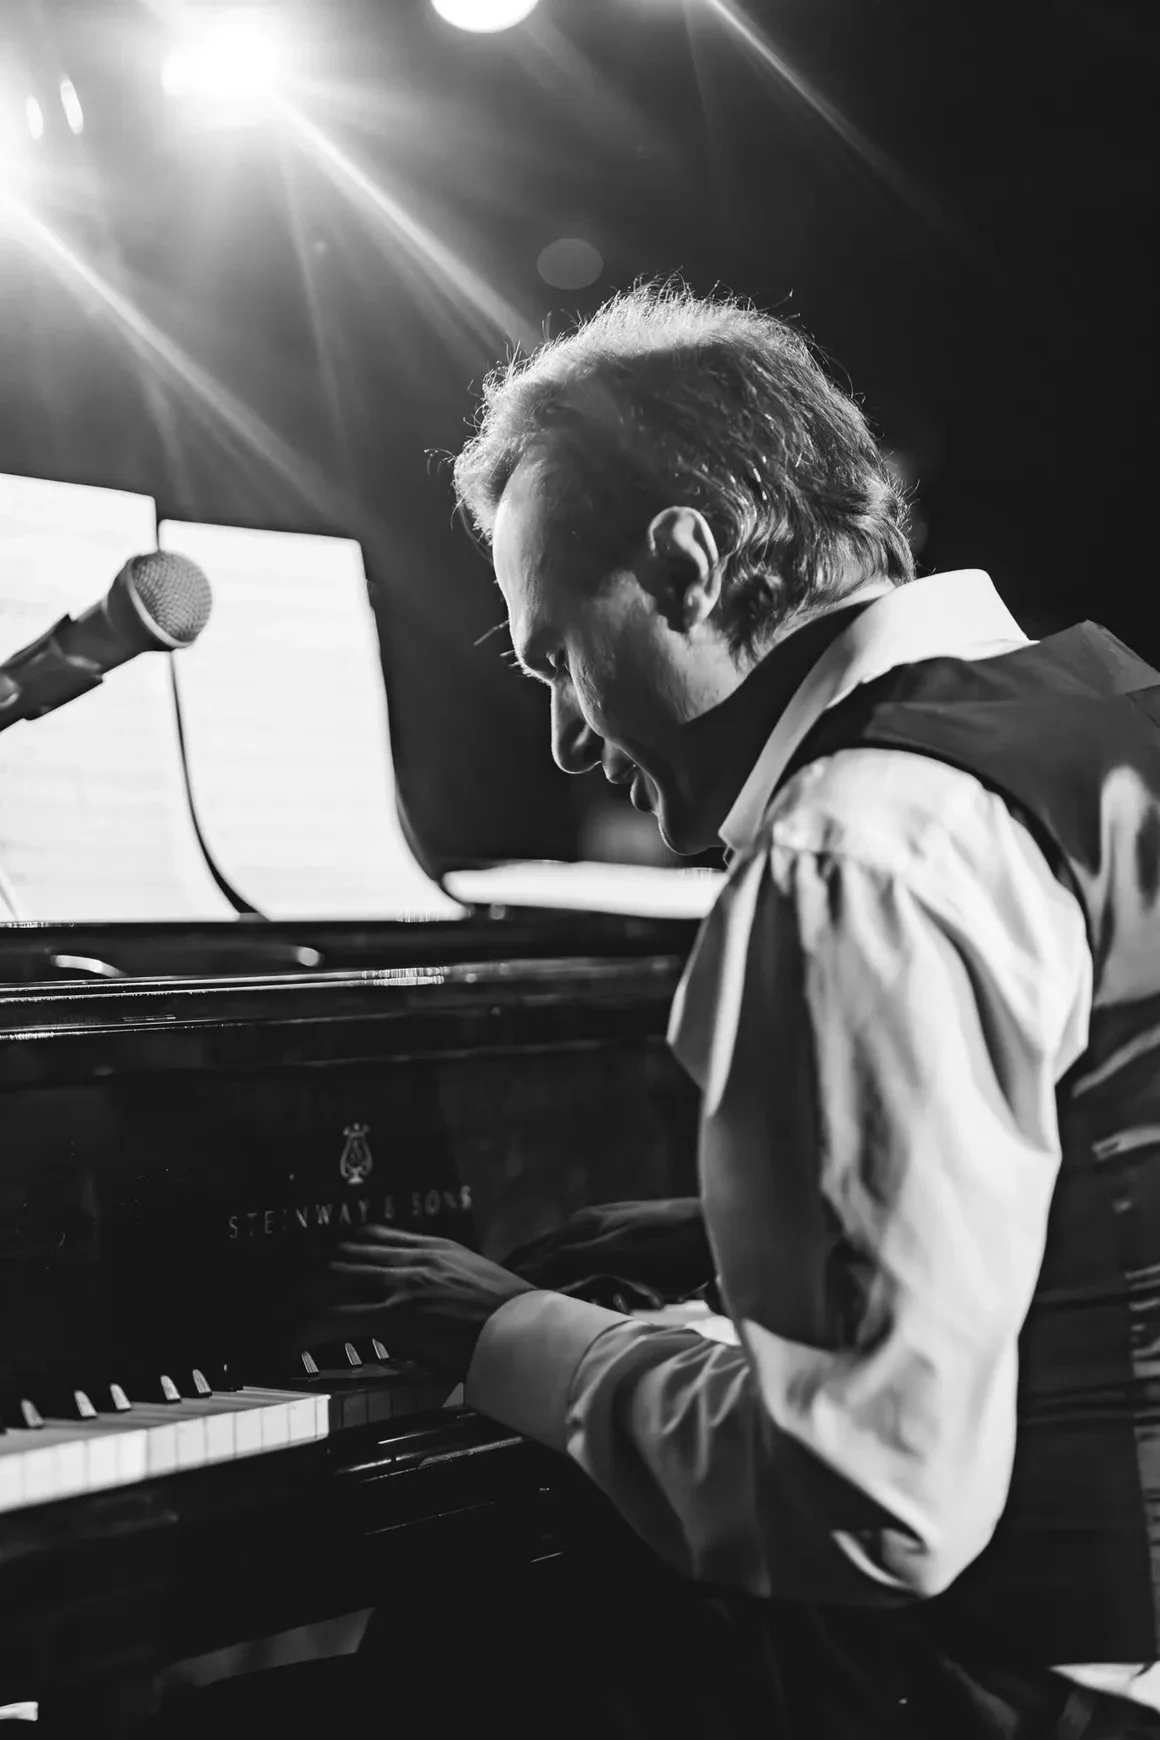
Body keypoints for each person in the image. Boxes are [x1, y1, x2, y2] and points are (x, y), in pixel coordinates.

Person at [295, 279, 1160, 1737]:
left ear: (689, 564)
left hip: (1018, 1690)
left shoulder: (855, 848)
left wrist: (522, 1332)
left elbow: (869, 1503)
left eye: (555, 655)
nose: (570, 736)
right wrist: (702, 1267)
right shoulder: (1109, 712)